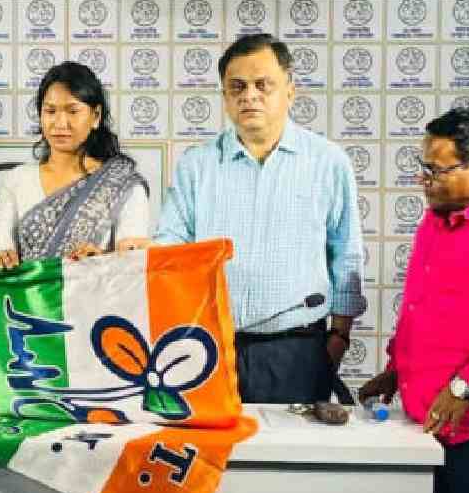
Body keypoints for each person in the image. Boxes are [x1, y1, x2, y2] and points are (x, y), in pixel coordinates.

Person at [154, 34, 366, 404]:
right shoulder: (196, 165)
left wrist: (340, 337)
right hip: (208, 349)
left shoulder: (327, 162)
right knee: (217, 461)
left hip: (298, 350)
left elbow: (346, 253)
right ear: (224, 96)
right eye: (237, 87)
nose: (249, 95)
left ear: (290, 91)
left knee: (291, 460)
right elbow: (171, 246)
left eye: (262, 85)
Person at [359, 109, 469, 493]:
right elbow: (422, 310)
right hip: (425, 424)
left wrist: (461, 388)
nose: (424, 178)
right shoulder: (434, 223)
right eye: (424, 166)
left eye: (437, 169)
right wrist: (397, 368)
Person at [0, 60, 149, 268]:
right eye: (50, 111)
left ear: (96, 116)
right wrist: (2, 257)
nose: (60, 123)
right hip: (27, 297)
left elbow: (132, 265)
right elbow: (0, 247)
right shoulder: (18, 179)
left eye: (73, 111)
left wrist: (101, 260)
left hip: (95, 296)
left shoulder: (123, 185)